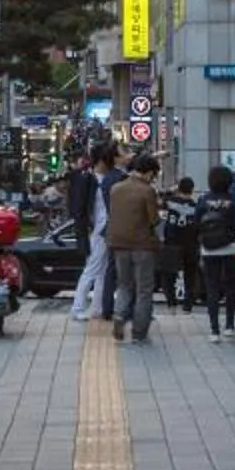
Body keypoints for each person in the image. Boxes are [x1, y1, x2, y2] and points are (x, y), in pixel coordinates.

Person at [105, 153, 164, 343]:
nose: (153, 179)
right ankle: (139, 332)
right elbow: (154, 220)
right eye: (153, 175)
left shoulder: (116, 188)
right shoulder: (147, 191)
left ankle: (119, 315)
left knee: (124, 285)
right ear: (149, 173)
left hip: (118, 244)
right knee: (144, 289)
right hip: (142, 245)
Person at [69, 141, 120, 322]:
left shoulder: (103, 179)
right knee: (92, 269)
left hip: (105, 229)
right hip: (97, 231)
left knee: (102, 270)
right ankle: (78, 307)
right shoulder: (88, 179)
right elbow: (81, 209)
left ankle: (96, 306)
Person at [197, 166, 235, 339]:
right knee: (231, 287)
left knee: (212, 288)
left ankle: (214, 330)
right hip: (230, 248)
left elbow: (197, 223)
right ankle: (229, 326)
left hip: (209, 249)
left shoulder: (203, 200)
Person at [162, 177, 203, 311]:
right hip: (191, 244)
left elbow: (160, 196)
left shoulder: (170, 202)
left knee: (169, 274)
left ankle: (171, 302)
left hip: (172, 243)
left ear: (178, 188)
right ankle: (188, 305)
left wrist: (170, 190)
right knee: (190, 275)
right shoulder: (195, 207)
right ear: (192, 190)